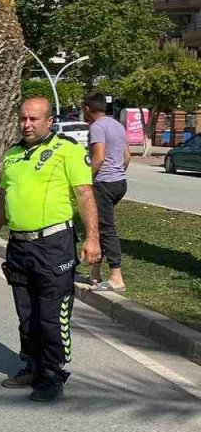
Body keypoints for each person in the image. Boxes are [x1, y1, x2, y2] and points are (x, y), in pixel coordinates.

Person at [0, 98, 100, 402]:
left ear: (50, 121)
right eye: (23, 118)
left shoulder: (67, 151)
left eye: (34, 119)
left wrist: (92, 238)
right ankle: (32, 365)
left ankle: (52, 373)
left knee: (51, 313)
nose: (27, 124)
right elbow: (3, 195)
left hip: (53, 246)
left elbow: (85, 194)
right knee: (27, 312)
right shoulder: (13, 154)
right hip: (20, 245)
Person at [82, 94, 130, 292]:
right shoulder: (117, 125)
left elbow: (99, 157)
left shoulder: (97, 127)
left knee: (107, 230)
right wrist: (117, 173)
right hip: (119, 182)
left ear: (86, 108)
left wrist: (85, 179)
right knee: (100, 226)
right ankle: (95, 274)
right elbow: (127, 156)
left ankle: (116, 277)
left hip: (104, 183)